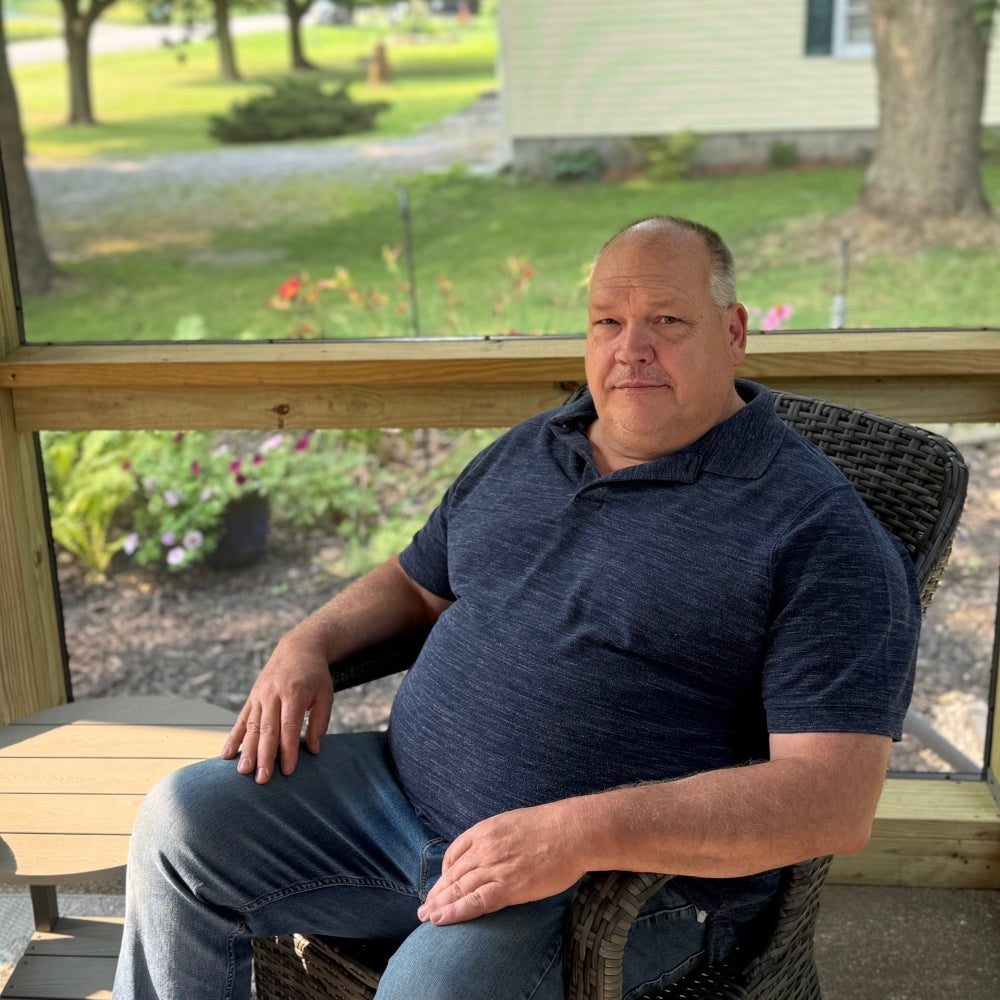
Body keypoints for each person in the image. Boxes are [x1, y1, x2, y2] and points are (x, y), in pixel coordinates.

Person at [113, 216, 920, 1000]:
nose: (630, 349)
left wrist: (577, 834)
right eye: (608, 320)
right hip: (393, 805)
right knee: (180, 826)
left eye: (666, 320)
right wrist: (308, 642)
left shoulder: (816, 529)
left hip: (598, 886)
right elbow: (414, 583)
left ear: (734, 331)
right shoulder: (536, 446)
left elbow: (832, 800)